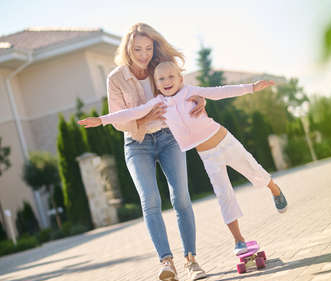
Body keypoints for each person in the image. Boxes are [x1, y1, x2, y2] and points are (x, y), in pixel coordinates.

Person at [78, 61, 288, 257]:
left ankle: (275, 190)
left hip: (225, 142)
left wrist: (251, 87)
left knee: (255, 171)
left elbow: (220, 92)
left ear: (180, 79)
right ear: (155, 84)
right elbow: (131, 113)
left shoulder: (191, 92)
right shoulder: (157, 104)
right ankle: (239, 241)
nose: (166, 82)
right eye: (161, 79)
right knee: (223, 193)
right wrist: (101, 120)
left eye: (171, 77)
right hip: (207, 155)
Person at [101, 23, 207, 281]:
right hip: (137, 143)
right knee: (149, 200)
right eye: (138, 48)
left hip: (169, 137)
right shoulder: (115, 78)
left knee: (181, 197)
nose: (143, 54)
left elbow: (183, 90)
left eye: (148, 48)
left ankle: (191, 260)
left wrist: (199, 99)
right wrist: (145, 117)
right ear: (128, 48)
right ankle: (167, 262)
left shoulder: (161, 65)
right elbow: (117, 120)